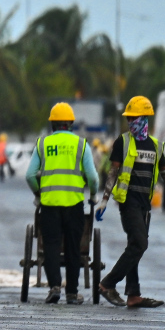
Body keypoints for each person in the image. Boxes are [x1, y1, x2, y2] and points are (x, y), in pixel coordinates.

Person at [96, 95, 165, 309]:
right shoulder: (122, 142)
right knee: (140, 244)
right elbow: (113, 173)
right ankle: (107, 284)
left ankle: (133, 294)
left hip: (144, 206)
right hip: (128, 202)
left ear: (145, 118)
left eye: (135, 117)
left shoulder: (156, 146)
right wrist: (104, 200)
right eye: (128, 118)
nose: (131, 122)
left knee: (135, 246)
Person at [25, 102, 98, 304]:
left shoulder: (42, 144)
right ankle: (72, 293)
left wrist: (38, 194)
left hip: (49, 205)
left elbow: (30, 175)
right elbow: (92, 178)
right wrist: (92, 196)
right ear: (71, 124)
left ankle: (55, 287)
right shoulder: (81, 145)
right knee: (74, 248)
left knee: (51, 246)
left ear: (53, 125)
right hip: (74, 205)